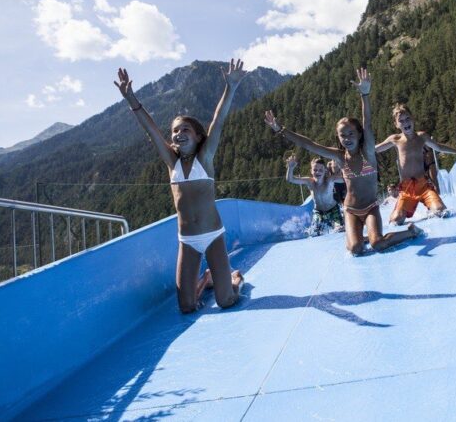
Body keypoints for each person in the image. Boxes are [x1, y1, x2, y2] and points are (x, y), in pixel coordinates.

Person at [114, 60, 245, 313]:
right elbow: (151, 130)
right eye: (175, 130)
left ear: (198, 136)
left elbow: (218, 121)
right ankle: (207, 278)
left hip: (213, 236)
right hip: (187, 240)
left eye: (186, 129)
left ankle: (235, 279)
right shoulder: (171, 162)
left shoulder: (204, 159)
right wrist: (131, 99)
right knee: (186, 306)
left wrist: (230, 88)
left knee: (225, 301)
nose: (179, 133)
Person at [264, 68, 421, 255]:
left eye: (350, 133)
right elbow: (309, 144)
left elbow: (367, 122)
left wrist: (365, 95)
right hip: (351, 210)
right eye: (342, 135)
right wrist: (280, 129)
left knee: (378, 244)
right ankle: (359, 239)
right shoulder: (339, 156)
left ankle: (410, 232)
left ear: (359, 134)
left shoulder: (368, 151)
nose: (346, 138)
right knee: (355, 249)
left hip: (370, 208)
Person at [376, 103, 456, 224]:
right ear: (396, 124)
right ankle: (408, 218)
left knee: (441, 211)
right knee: (395, 221)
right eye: (401, 121)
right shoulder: (396, 139)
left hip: (423, 185)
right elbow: (375, 149)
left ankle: (431, 206)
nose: (405, 123)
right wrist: (357, 151)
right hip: (407, 189)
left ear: (412, 118)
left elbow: (438, 147)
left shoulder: (422, 137)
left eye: (407, 118)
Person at [285, 155, 344, 236]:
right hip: (318, 212)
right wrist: (290, 168)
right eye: (315, 170)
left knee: (340, 228)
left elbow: (346, 179)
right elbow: (290, 179)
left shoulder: (330, 180)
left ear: (325, 171)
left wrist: (343, 169)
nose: (318, 172)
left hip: (333, 210)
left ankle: (340, 222)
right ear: (311, 171)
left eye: (320, 170)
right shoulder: (309, 182)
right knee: (314, 233)